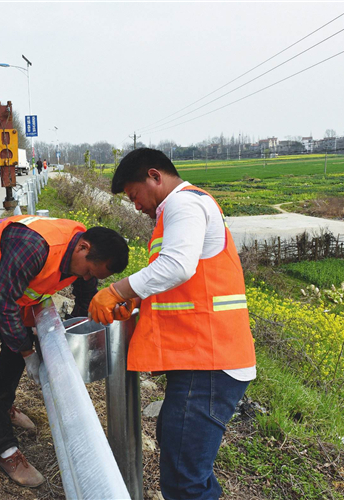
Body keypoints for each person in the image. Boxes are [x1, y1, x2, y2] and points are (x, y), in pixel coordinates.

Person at [89, 148, 256, 500]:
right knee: (180, 456)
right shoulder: (177, 211)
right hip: (201, 359)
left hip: (210, 361)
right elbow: (180, 283)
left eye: (135, 195)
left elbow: (178, 267)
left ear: (155, 176)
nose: (136, 206)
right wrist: (137, 299)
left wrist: (117, 291)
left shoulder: (184, 204)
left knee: (185, 482)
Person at [0, 215, 129, 487]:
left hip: (3, 283)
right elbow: (2, 304)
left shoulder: (83, 251)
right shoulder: (34, 247)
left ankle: (1, 406)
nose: (87, 278)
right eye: (88, 271)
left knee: (16, 342)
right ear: (83, 248)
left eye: (94, 276)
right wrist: (29, 354)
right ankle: (5, 449)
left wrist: (71, 334)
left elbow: (85, 294)